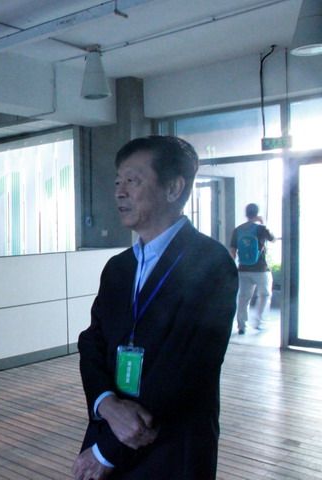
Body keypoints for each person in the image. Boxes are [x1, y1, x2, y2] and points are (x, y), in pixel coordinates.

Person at [73, 136, 238, 480]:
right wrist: (105, 402)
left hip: (171, 446)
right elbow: (93, 341)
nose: (119, 192)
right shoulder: (119, 267)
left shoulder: (211, 263)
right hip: (109, 431)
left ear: (173, 188)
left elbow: (187, 369)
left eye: (132, 180)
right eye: (117, 182)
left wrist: (106, 451)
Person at [229, 203, 275, 334]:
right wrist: (263, 222)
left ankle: (241, 326)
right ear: (256, 214)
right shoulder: (261, 228)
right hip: (261, 269)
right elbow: (273, 239)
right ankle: (259, 322)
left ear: (246, 213)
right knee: (265, 295)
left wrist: (234, 267)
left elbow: (233, 250)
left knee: (243, 297)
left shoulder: (238, 230)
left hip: (243, 269)